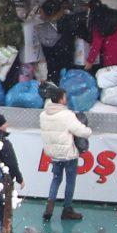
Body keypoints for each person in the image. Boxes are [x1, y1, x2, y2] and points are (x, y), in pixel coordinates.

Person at [38, 86, 91, 222]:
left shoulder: (44, 115)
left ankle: (49, 207)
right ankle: (67, 209)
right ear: (61, 99)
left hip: (54, 154)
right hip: (68, 155)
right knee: (70, 182)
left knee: (56, 179)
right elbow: (80, 131)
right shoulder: (67, 115)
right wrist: (88, 130)